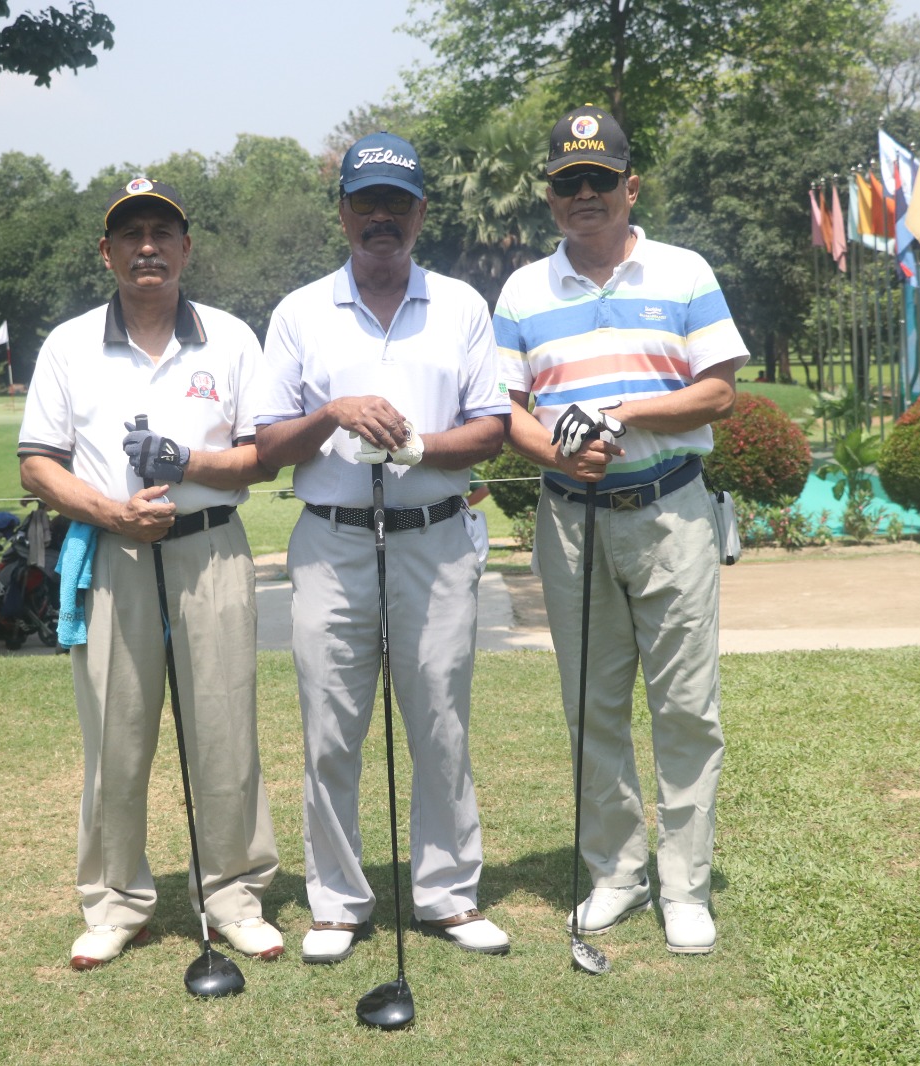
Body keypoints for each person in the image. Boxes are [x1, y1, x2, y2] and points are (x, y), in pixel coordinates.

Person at [494, 106, 749, 955]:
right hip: (572, 521)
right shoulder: (523, 290)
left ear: (630, 187)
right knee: (592, 707)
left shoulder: (683, 271)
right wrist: (559, 455)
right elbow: (507, 408)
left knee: (685, 707)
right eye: (568, 182)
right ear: (550, 195)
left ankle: (684, 887)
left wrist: (622, 412)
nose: (584, 194)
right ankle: (616, 874)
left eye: (599, 179)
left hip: (671, 510)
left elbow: (718, 391)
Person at [254, 133, 511, 963]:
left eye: (396, 204)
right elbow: (268, 446)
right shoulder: (299, 312)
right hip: (332, 543)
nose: (381, 218)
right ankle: (336, 903)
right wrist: (333, 413)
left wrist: (418, 447)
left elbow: (492, 429)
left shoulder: (462, 306)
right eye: (366, 202)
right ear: (342, 213)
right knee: (332, 728)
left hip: (435, 539)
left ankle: (447, 894)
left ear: (421, 213)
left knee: (440, 722)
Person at [17, 178, 281, 969]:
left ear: (186, 248)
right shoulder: (69, 344)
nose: (147, 248)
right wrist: (110, 512)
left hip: (212, 549)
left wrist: (191, 463)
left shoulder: (231, 337)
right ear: (106, 253)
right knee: (116, 737)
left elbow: (262, 457)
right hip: (115, 553)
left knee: (225, 733)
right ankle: (114, 902)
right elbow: (37, 464)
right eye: (130, 235)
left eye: (162, 233)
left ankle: (232, 894)